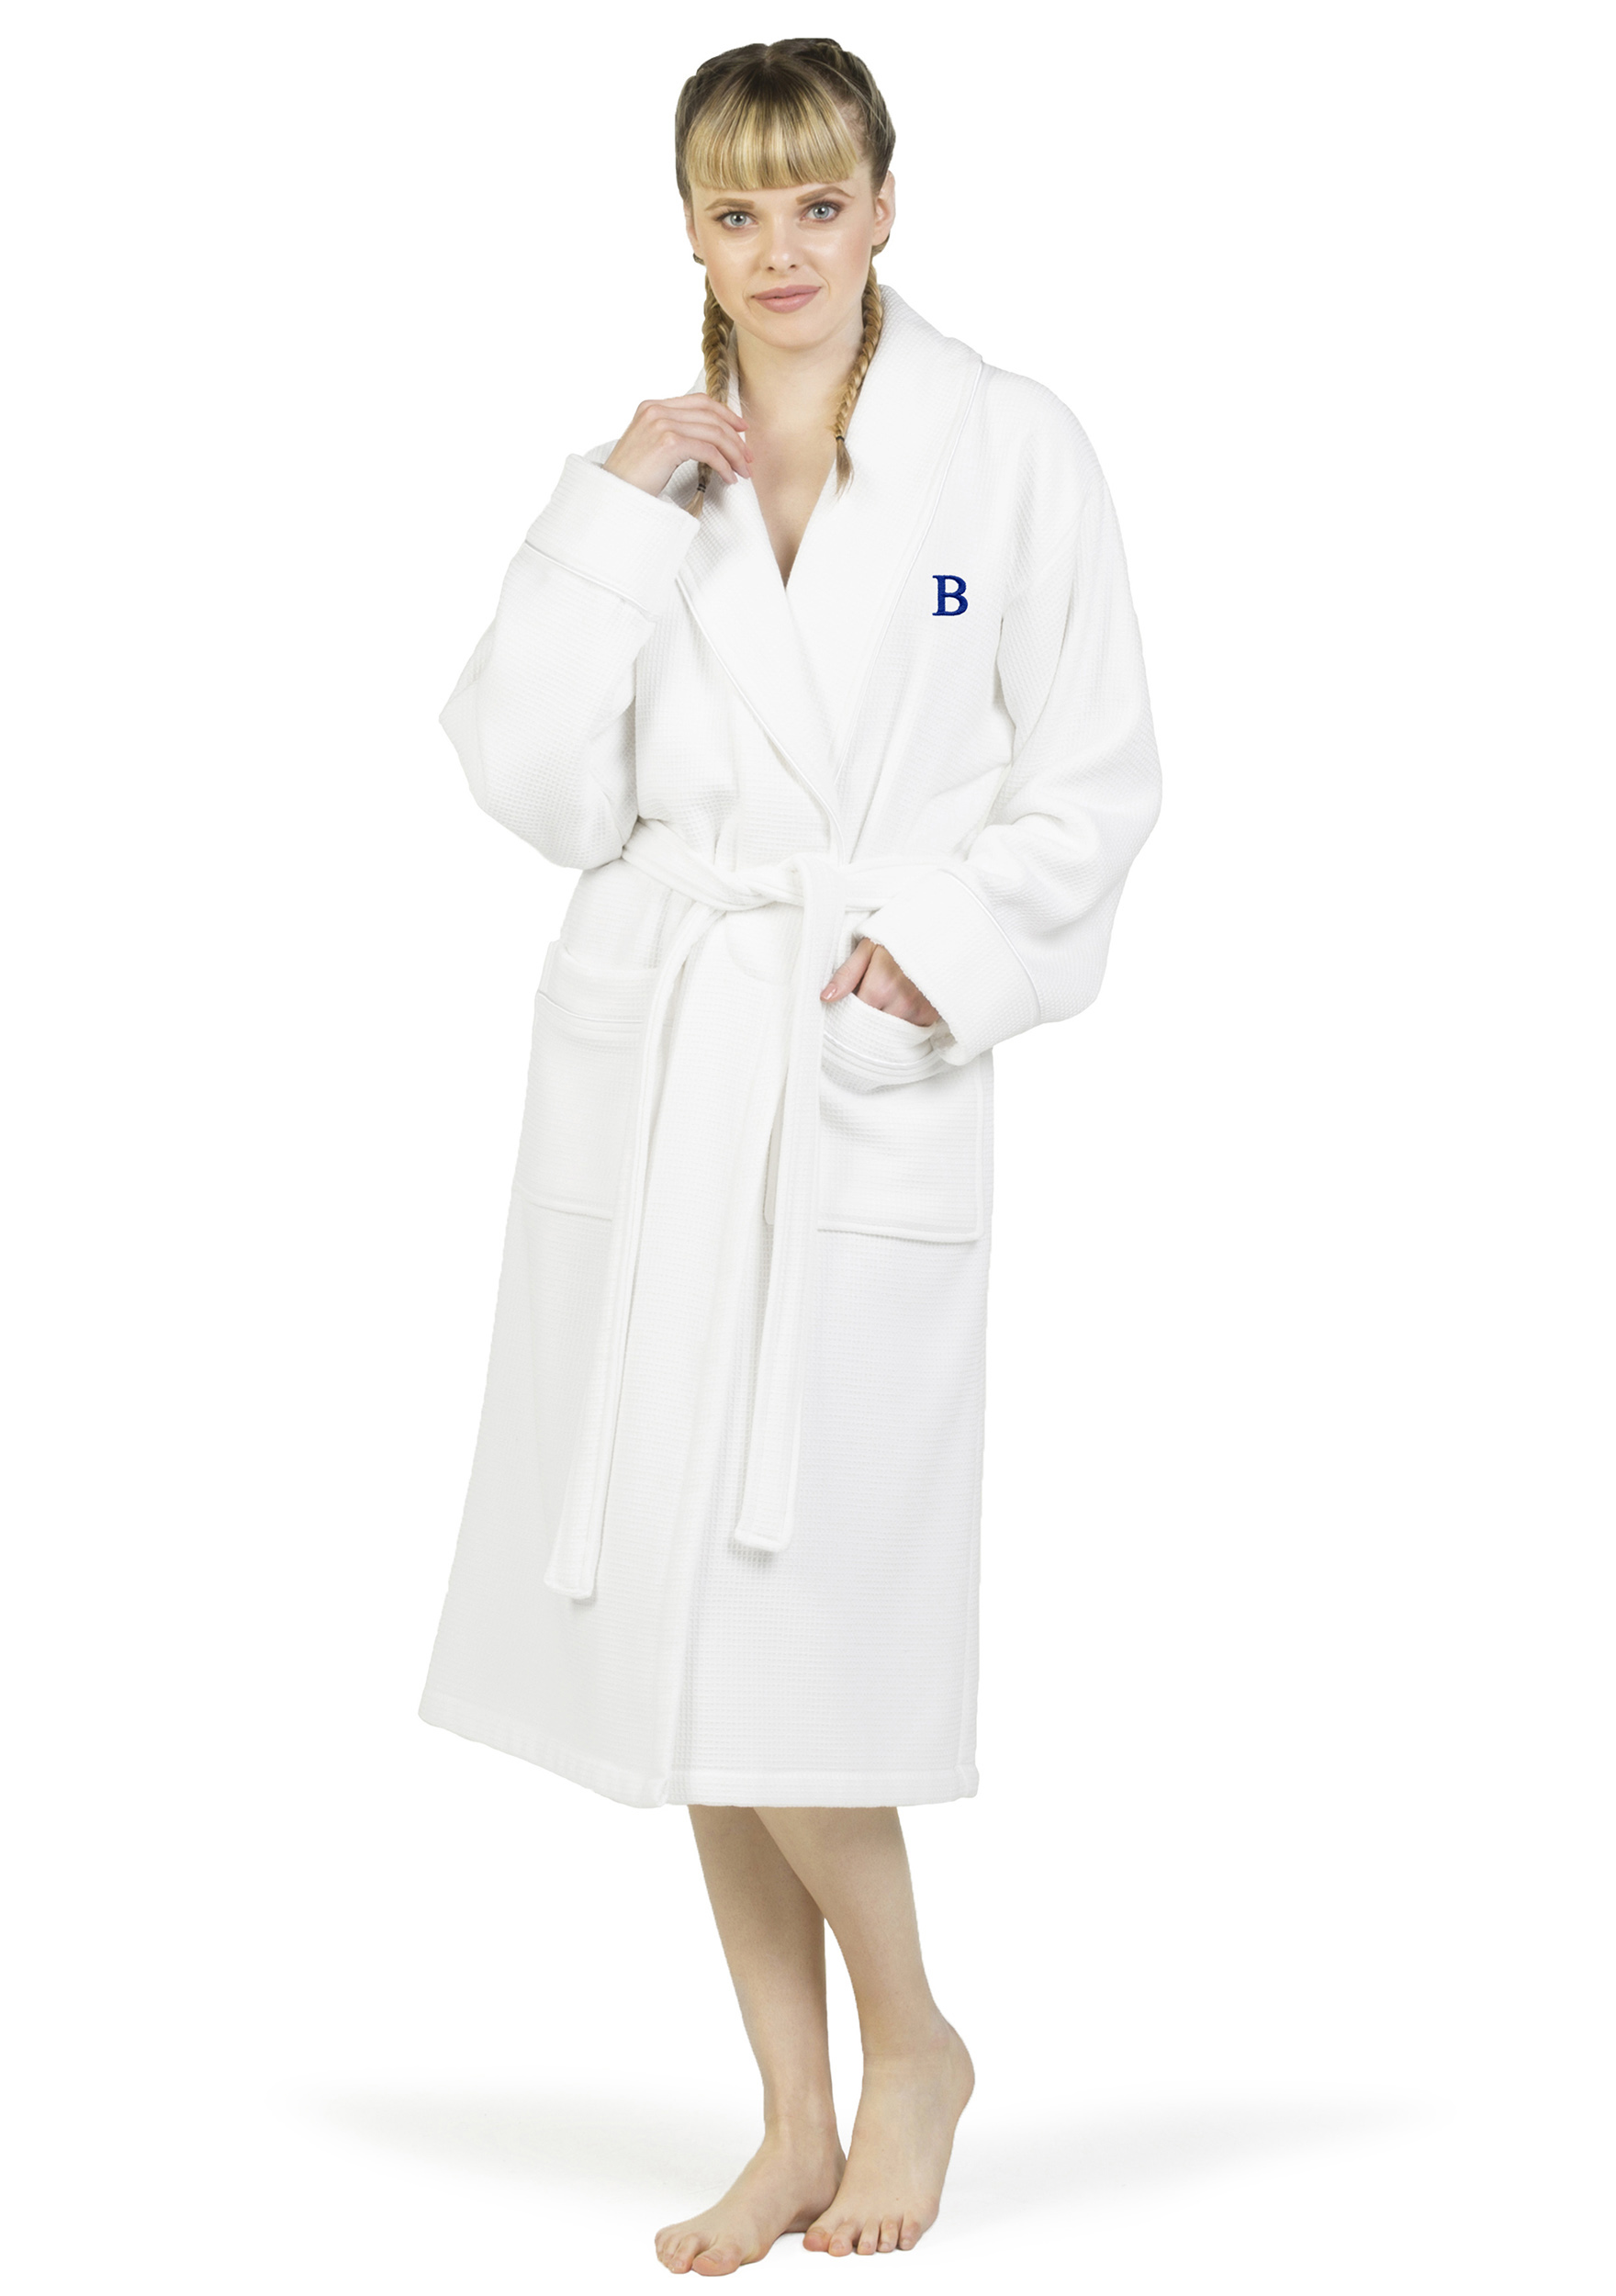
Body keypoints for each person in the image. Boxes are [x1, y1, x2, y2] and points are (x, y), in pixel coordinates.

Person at [418, 36, 1162, 2273]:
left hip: (851, 1066)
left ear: (885, 208)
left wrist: (936, 953)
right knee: (677, 1624)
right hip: (662, 1076)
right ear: (689, 231)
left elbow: (1097, 778)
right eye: (737, 212)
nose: (781, 251)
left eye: (817, 203)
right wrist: (609, 508)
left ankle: (914, 2040)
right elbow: (528, 778)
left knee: (796, 1619)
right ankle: (790, 2112)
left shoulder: (1008, 448)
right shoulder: (648, 480)